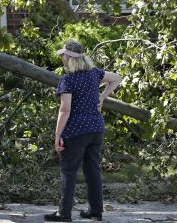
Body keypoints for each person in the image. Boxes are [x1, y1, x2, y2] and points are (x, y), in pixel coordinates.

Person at [45, 40, 122, 222]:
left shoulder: (68, 81)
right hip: (96, 128)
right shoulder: (94, 74)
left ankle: (64, 213)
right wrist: (102, 98)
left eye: (64, 55)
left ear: (69, 58)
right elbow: (117, 78)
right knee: (92, 169)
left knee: (69, 171)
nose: (62, 57)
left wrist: (57, 136)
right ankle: (96, 211)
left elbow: (65, 110)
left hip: (76, 131)